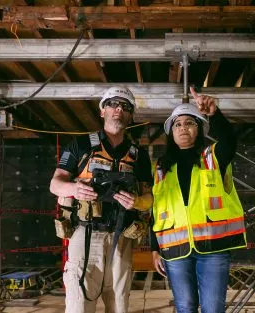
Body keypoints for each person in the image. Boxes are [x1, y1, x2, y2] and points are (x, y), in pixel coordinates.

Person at [50, 86, 153, 313]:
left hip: (122, 238)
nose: (119, 109)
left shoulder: (138, 155)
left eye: (125, 107)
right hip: (86, 234)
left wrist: (136, 201)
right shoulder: (82, 146)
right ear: (102, 111)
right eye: (113, 104)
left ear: (130, 115)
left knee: (119, 305)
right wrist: (74, 189)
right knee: (79, 303)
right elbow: (55, 184)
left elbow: (149, 199)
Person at [151, 87, 247, 313]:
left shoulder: (213, 157)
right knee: (185, 307)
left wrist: (214, 113)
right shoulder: (162, 168)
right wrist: (155, 249)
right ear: (171, 133)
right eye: (178, 124)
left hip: (213, 248)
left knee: (213, 308)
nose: (183, 128)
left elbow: (229, 141)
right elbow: (156, 210)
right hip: (175, 250)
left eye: (190, 123)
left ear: (199, 128)